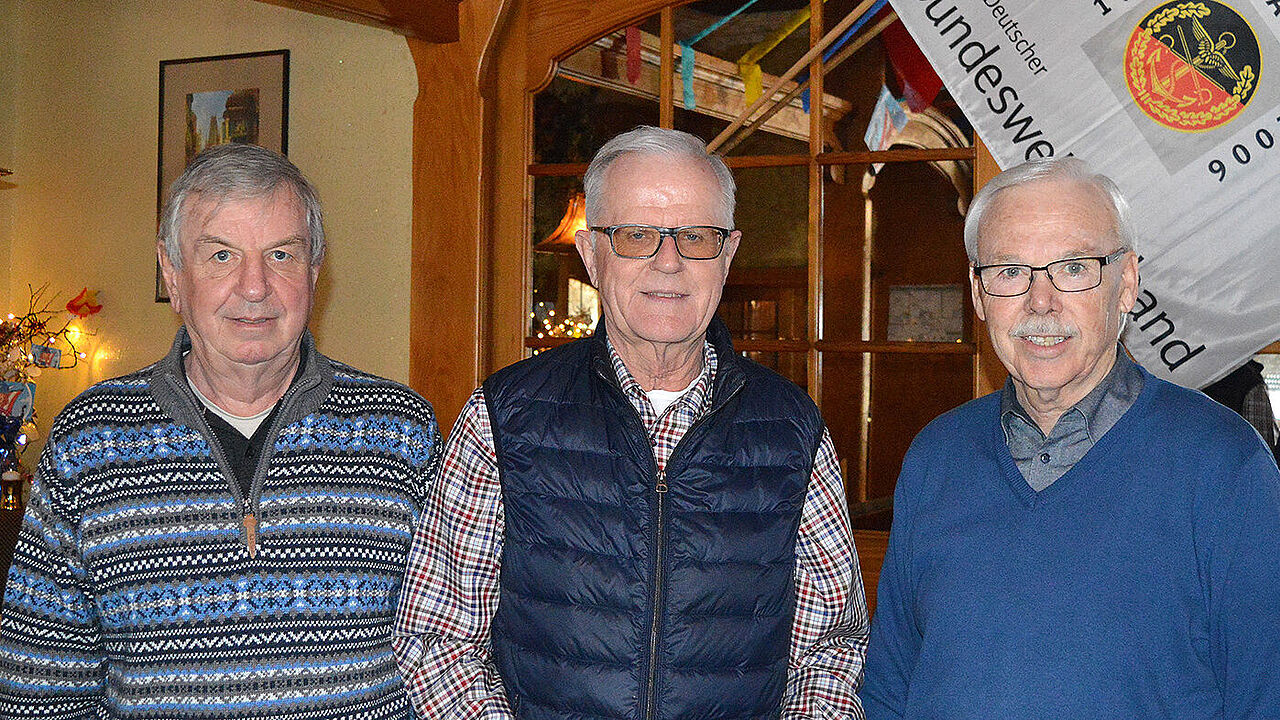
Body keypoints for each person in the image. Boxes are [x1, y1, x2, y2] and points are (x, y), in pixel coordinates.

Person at [394, 126, 868, 718]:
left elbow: (830, 650)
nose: (668, 262)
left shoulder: (793, 430)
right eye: (636, 236)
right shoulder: (504, 418)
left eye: (696, 237)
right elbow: (439, 640)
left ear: (728, 255)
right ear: (591, 254)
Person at [0, 143, 441, 719]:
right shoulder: (89, 440)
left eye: (282, 255)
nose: (254, 286)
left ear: (314, 271)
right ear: (172, 272)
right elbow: (39, 685)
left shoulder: (401, 430)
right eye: (221, 256)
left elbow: (446, 654)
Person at [860, 157, 1280, 718]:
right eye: (1010, 271)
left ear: (1126, 283)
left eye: (1073, 267)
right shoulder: (937, 456)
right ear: (979, 294)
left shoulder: (1224, 464)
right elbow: (890, 687)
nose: (1040, 301)